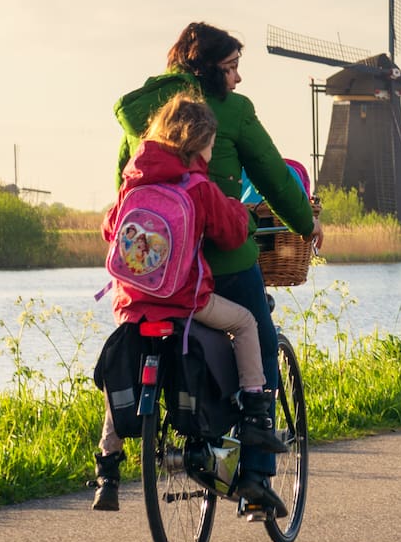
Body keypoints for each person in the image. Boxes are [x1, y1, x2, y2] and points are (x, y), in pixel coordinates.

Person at [105, 22, 321, 520]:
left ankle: (111, 455)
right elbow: (273, 175)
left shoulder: (141, 111)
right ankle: (256, 478)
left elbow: (123, 183)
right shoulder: (230, 113)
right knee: (258, 337)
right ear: (205, 70)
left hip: (155, 271)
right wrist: (304, 224)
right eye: (230, 68)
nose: (237, 78)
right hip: (219, 262)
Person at [94, 93, 288, 511]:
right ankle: (257, 416)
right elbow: (230, 233)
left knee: (125, 364)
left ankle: (107, 466)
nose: (212, 151)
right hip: (184, 302)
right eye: (211, 144)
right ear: (199, 143)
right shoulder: (197, 187)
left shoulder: (134, 180)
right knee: (246, 323)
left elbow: (111, 228)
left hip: (133, 304)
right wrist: (242, 214)